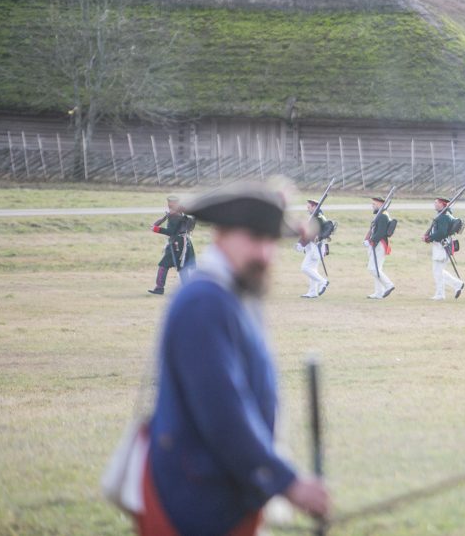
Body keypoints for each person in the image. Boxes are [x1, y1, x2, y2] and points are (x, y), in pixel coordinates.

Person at [139, 181, 330, 535]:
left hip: (225, 492)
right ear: (221, 235)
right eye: (253, 238)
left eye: (270, 240)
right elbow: (223, 412)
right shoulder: (203, 302)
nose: (264, 253)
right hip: (199, 503)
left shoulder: (232, 294)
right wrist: (287, 482)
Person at [148, 195, 196, 295]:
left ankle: (189, 290)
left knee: (181, 267)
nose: (169, 205)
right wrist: (165, 217)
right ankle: (159, 288)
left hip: (178, 244)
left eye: (171, 203)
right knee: (164, 264)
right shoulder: (176, 214)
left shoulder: (175, 216)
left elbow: (171, 231)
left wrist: (156, 229)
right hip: (176, 243)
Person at [423, 196, 464, 300]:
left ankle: (440, 294)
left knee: (438, 272)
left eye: (436, 203)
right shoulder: (444, 215)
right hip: (441, 245)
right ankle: (457, 284)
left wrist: (429, 238)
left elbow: (441, 233)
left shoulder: (443, 217)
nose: (435, 204)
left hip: (441, 246)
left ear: (442, 204)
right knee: (438, 271)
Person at [295, 199, 329, 299]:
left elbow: (310, 233)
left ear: (314, 207)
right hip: (313, 246)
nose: (308, 209)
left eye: (309, 207)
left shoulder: (317, 218)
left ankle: (323, 282)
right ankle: (313, 292)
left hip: (316, 247)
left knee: (305, 268)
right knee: (312, 269)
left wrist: (301, 244)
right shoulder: (317, 216)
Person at [365, 196, 395, 299]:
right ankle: (378, 292)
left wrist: (373, 240)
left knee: (373, 269)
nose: (372, 206)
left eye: (374, 204)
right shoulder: (381, 214)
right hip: (378, 243)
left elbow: (381, 232)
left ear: (380, 205)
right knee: (377, 269)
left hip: (379, 244)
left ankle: (389, 285)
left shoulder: (382, 216)